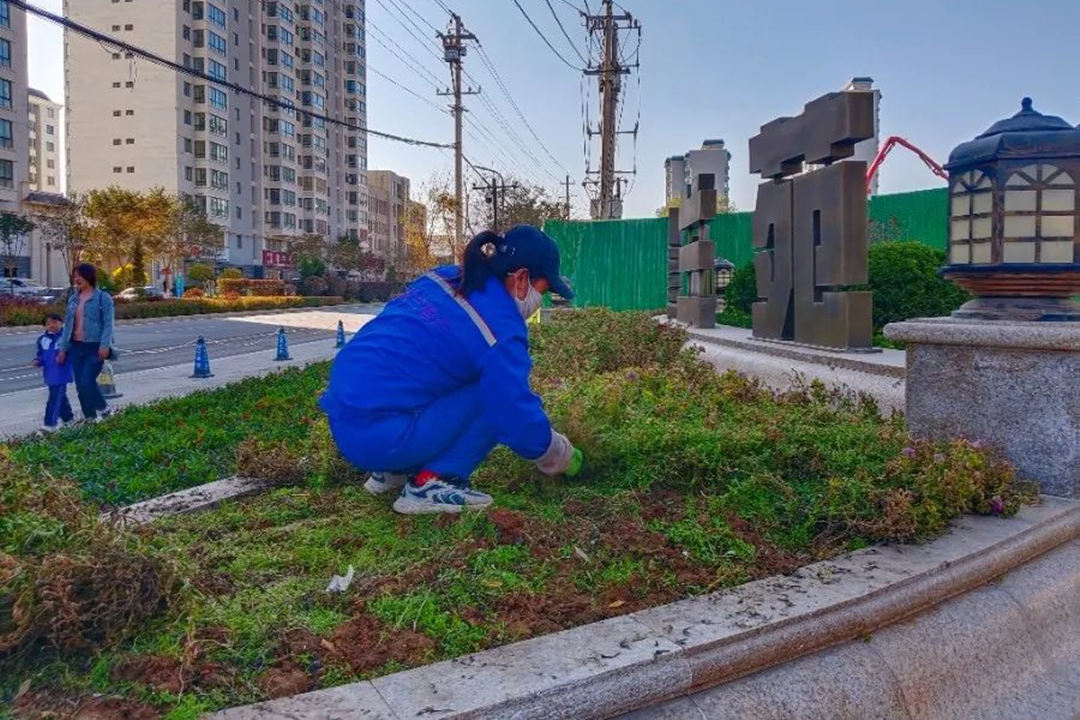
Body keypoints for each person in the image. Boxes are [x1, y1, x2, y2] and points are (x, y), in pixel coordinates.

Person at [320, 224, 583, 515]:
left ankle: (392, 471)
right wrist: (556, 452)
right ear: (521, 278)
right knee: (491, 396)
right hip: (381, 437)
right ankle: (432, 482)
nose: (538, 303)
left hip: (345, 422)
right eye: (542, 292)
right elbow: (511, 410)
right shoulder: (501, 328)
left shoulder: (444, 278)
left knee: (451, 375)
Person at [57, 263, 115, 422]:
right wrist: (63, 348)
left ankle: (104, 409)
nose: (76, 279)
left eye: (79, 276)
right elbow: (68, 325)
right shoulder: (73, 299)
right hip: (76, 347)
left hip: (94, 347)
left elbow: (108, 324)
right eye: (74, 276)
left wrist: (104, 345)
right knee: (80, 386)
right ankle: (90, 417)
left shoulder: (103, 298)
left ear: (89, 277)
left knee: (86, 381)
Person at [32, 312, 74, 432]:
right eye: (48, 323)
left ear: (61, 323)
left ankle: (50, 424)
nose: (51, 325)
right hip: (50, 373)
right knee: (59, 396)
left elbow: (72, 350)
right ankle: (68, 419)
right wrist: (37, 361)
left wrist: (64, 354)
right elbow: (41, 354)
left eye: (54, 322)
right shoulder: (42, 340)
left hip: (62, 372)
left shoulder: (66, 338)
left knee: (54, 397)